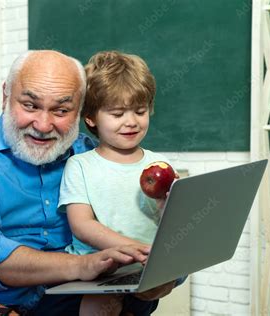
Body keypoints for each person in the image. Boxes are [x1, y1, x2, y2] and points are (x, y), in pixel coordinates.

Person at [0, 50, 175, 315]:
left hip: (72, 295)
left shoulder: (92, 156)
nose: (44, 125)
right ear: (6, 96)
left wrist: (160, 276)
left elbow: (138, 232)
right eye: (30, 105)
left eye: (61, 110)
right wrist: (81, 265)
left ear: (81, 112)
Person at [59, 51, 179, 316]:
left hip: (145, 268)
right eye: (117, 113)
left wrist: (169, 204)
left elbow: (169, 223)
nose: (131, 121)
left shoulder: (160, 164)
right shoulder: (80, 165)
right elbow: (81, 224)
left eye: (140, 111)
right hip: (99, 269)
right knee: (99, 307)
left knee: (154, 289)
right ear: (90, 118)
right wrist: (126, 246)